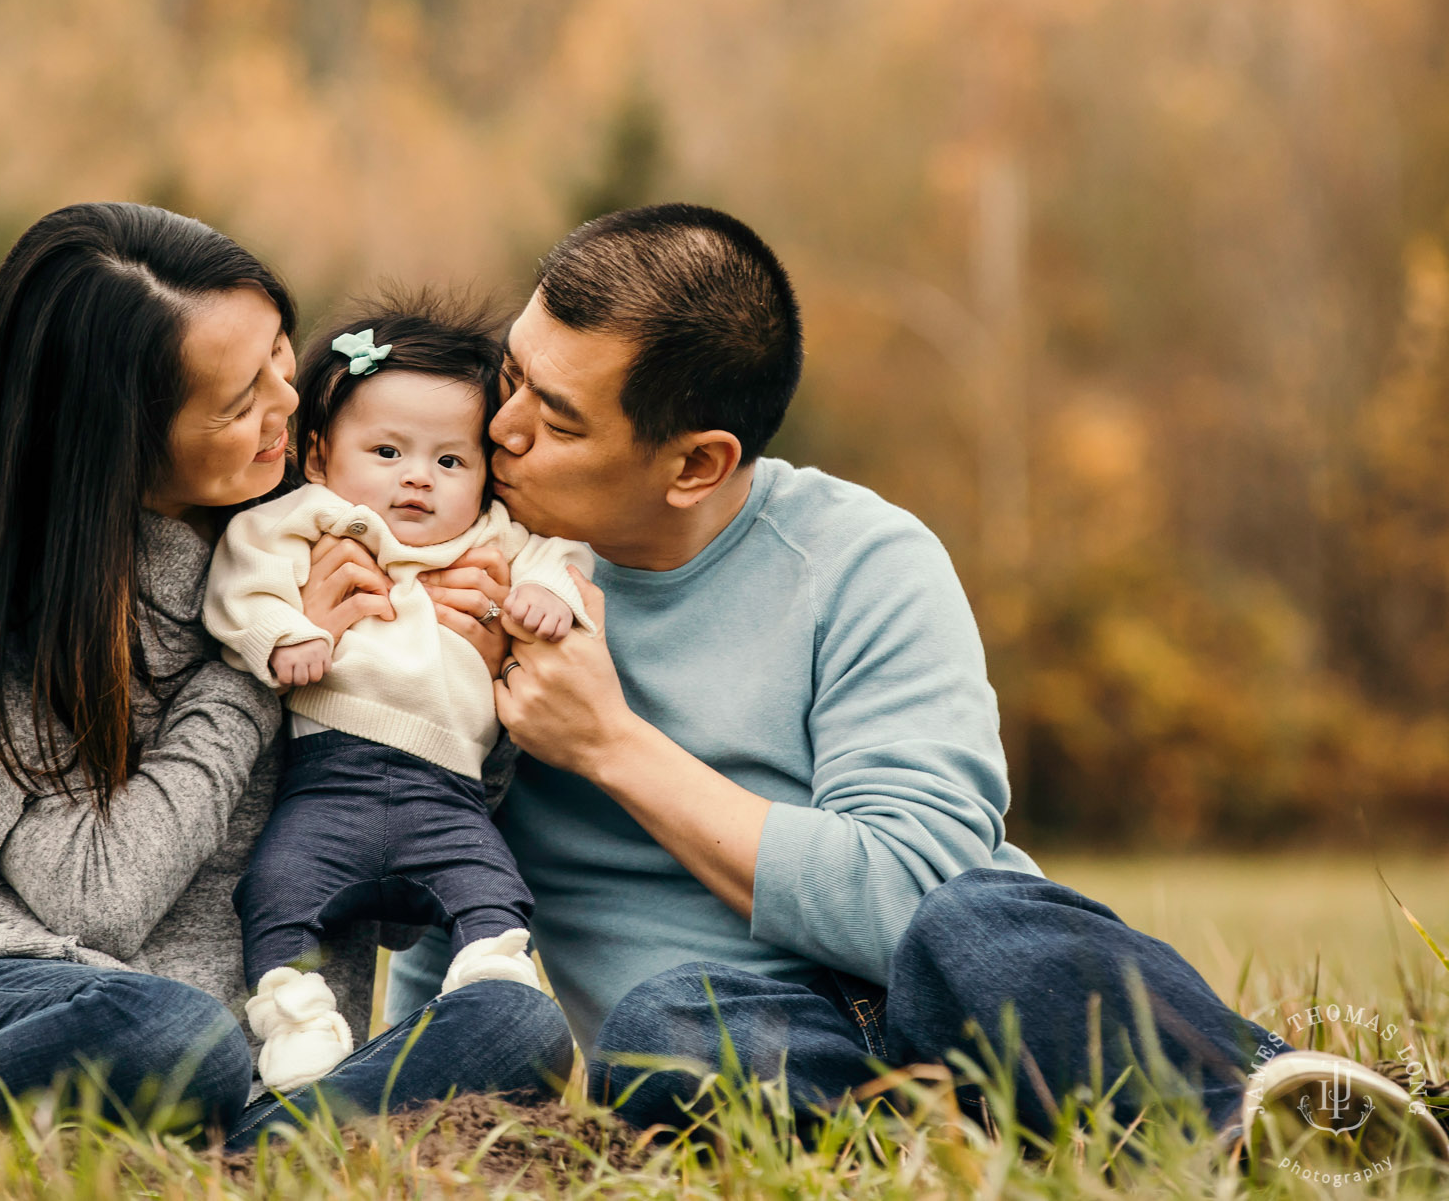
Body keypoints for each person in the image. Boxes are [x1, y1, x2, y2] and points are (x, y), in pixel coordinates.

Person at [387, 203, 1449, 1160]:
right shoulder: (462, 574)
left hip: (950, 986)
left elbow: (911, 892)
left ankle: (1272, 1119)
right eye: (511, 372)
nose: (499, 427)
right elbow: (440, 880)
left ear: (697, 464)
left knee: (976, 920)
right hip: (754, 1039)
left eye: (557, 418)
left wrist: (611, 744)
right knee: (662, 1034)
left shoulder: (863, 561)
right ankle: (998, 1132)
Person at [0, 203, 572, 1166]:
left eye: (278, 360)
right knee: (175, 1034)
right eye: (235, 403)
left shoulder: (334, 534)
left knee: (517, 1028)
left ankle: (237, 1159)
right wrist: (262, 664)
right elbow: (99, 899)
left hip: (267, 1057)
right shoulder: (1, 612)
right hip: (25, 1008)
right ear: (119, 437)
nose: (289, 405)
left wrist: (468, 667)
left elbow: (381, 897)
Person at [203, 298, 592, 1092]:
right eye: (385, 450)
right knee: (276, 890)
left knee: (491, 885)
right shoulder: (309, 518)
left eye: (451, 461)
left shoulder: (489, 541)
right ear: (318, 454)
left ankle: (490, 972)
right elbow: (241, 578)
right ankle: (296, 1014)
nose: (418, 476)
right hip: (328, 778)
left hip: (449, 791)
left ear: (485, 473)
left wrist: (550, 595)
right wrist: (281, 636)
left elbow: (558, 554)